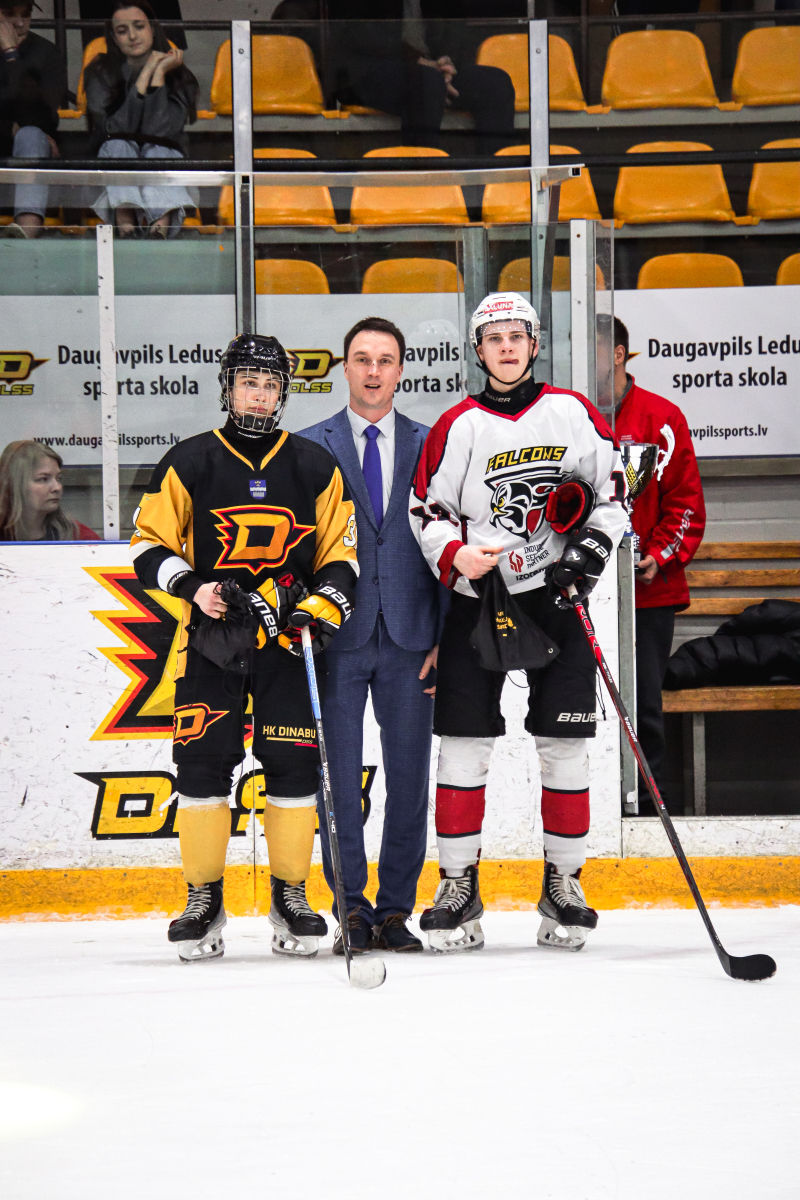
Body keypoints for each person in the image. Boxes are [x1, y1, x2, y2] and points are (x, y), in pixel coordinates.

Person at [409, 292, 627, 954]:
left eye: (516, 336)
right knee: (464, 741)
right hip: (480, 600)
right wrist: (456, 554)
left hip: (556, 598)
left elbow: (612, 494)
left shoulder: (572, 412)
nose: (506, 347)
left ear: (535, 345)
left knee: (564, 744)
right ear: (478, 350)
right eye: (493, 338)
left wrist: (589, 552)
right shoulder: (458, 425)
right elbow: (427, 509)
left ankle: (564, 882)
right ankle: (458, 883)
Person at [130, 334, 359, 962]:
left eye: (269, 385)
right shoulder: (190, 461)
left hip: (288, 645)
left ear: (283, 393)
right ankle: (202, 897)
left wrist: (319, 606)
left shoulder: (313, 464)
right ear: (228, 388)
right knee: (201, 767)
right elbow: (147, 543)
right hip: (212, 642)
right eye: (247, 383)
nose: (257, 395)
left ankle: (290, 894)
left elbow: (341, 555)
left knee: (293, 769)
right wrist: (193, 586)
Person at [298, 317, 449, 955]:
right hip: (337, 638)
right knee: (338, 780)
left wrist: (445, 635)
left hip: (413, 638)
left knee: (408, 779)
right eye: (362, 358)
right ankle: (352, 910)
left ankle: (393, 912)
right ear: (344, 367)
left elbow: (449, 541)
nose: (373, 370)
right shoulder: (309, 445)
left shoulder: (432, 443)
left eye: (385, 360)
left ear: (401, 370)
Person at [611, 316, 706, 814]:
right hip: (579, 592)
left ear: (618, 354)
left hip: (646, 590)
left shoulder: (661, 416)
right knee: (581, 703)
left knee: (644, 701)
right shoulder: (567, 415)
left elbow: (685, 502)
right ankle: (593, 805)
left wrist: (659, 555)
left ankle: (650, 806)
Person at [273, 0, 515, 153]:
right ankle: (422, 189)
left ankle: (493, 187)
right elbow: (354, 33)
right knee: (426, 84)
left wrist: (447, 64)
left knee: (496, 83)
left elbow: (456, 28)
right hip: (367, 71)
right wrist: (415, 60)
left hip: (429, 71)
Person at [84, 0, 198, 236]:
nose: (132, 36)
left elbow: (159, 133)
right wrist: (146, 73)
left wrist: (159, 74)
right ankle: (127, 227)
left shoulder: (180, 77)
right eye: (122, 31)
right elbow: (114, 130)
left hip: (167, 169)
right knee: (118, 145)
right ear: (114, 38)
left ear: (152, 29)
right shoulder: (99, 72)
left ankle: (159, 230)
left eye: (139, 26)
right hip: (108, 178)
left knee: (160, 150)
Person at [0, 0, 67, 237]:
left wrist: (11, 54)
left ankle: (25, 232)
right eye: (9, 14)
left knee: (30, 134)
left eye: (26, 14)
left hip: (31, 149)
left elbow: (42, 118)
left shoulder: (47, 53)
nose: (19, 23)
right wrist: (9, 127)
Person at [0, 440, 99, 540]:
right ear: (15, 485)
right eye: (43, 479)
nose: (57, 487)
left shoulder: (79, 536)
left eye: (58, 479)